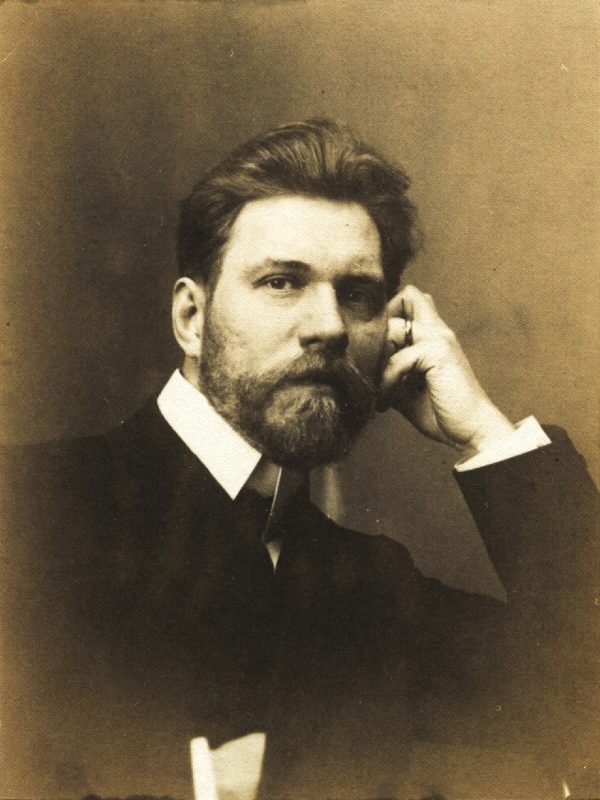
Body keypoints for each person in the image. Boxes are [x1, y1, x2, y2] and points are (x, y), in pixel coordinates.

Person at [0, 119, 597, 800]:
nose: (330, 326)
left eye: (358, 294)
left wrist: (485, 433)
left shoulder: (377, 589)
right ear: (191, 319)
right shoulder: (26, 509)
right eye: (282, 282)